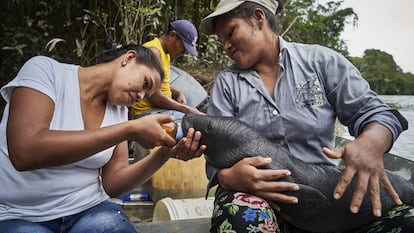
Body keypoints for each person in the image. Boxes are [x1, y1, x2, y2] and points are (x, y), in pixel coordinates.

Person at [199, 0, 412, 232]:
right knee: (240, 218)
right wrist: (229, 178)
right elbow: (216, 150)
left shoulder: (321, 62)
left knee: (406, 221)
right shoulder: (227, 83)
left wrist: (370, 143)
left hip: (326, 196)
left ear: (258, 19)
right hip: (257, 195)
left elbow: (378, 114)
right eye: (222, 42)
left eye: (230, 33)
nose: (226, 46)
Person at [0, 44, 206, 232]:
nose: (141, 97)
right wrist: (129, 129)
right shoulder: (46, 72)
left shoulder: (119, 112)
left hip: (88, 210)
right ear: (129, 58)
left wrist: (164, 154)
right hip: (19, 214)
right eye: (145, 83)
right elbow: (24, 151)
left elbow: (113, 184)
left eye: (147, 93)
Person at [130, 19, 203, 117]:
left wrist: (177, 93)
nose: (183, 52)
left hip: (160, 109)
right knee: (193, 123)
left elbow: (160, 84)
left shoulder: (166, 53)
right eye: (183, 47)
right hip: (147, 112)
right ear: (172, 35)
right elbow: (153, 96)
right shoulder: (153, 52)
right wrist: (186, 109)